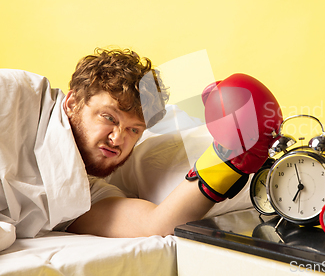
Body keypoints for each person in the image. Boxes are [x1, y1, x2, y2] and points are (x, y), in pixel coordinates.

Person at [0, 47, 282, 247]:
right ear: (73, 103)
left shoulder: (82, 195)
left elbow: (155, 225)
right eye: (109, 118)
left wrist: (228, 158)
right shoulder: (20, 95)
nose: (117, 139)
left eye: (134, 130)